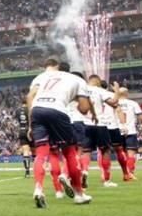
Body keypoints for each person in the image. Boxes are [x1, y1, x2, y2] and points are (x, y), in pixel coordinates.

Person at [27, 62, 93, 208]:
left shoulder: (44, 76)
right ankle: (79, 194)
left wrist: (31, 124)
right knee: (69, 151)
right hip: (57, 110)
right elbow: (84, 108)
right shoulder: (78, 80)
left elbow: (30, 96)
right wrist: (76, 99)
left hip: (37, 110)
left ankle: (38, 189)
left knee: (41, 153)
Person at [86, 75, 122, 188]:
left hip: (83, 124)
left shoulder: (81, 89)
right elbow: (114, 102)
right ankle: (107, 180)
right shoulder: (99, 90)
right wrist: (117, 91)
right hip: (99, 124)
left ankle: (83, 174)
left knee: (84, 152)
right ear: (96, 81)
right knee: (105, 151)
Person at [117, 87, 142, 180]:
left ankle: (125, 173)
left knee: (122, 154)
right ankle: (130, 173)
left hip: (117, 131)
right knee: (131, 153)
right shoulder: (133, 103)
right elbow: (141, 118)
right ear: (127, 94)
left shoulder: (114, 103)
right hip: (130, 131)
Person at [15, 101, 32, 177]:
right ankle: (39, 170)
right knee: (35, 151)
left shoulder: (18, 110)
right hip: (30, 130)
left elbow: (18, 120)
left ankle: (27, 171)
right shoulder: (30, 109)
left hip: (21, 130)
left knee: (25, 151)